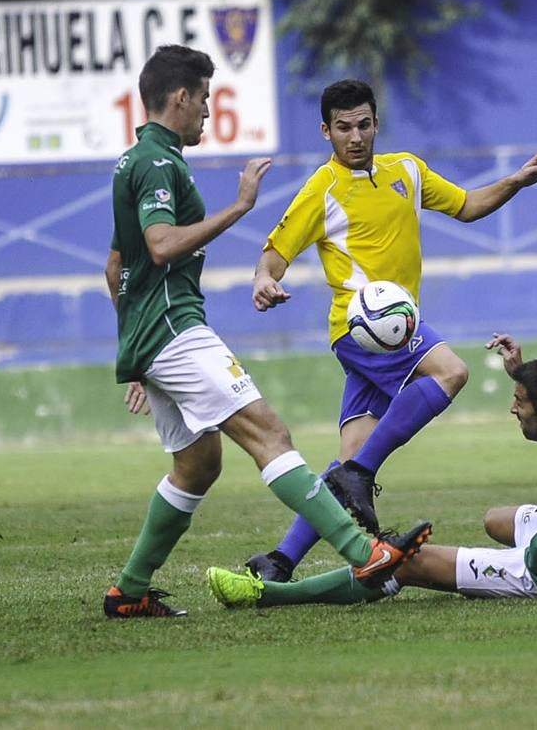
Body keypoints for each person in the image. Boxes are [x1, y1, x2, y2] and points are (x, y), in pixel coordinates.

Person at [103, 46, 432, 618]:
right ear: (180, 98)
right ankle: (365, 553)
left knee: (198, 464)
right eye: (204, 98)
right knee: (270, 434)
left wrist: (135, 349)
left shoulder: (134, 160)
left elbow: (116, 267)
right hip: (175, 327)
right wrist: (239, 207)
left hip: (151, 335)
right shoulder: (158, 163)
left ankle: (128, 592)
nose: (208, 111)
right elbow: (159, 247)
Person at [243, 78, 537, 582]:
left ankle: (280, 560)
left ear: (376, 124)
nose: (355, 137)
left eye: (363, 125)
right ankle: (361, 474)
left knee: (350, 452)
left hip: (390, 329)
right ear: (326, 131)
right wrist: (264, 280)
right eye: (343, 128)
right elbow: (274, 255)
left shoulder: (407, 170)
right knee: (451, 372)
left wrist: (515, 182)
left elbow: (467, 205)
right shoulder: (321, 189)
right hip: (361, 325)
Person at [207, 332, 537, 608]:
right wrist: (526, 374)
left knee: (406, 562)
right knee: (495, 520)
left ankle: (272, 595)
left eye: (520, 401)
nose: (512, 408)